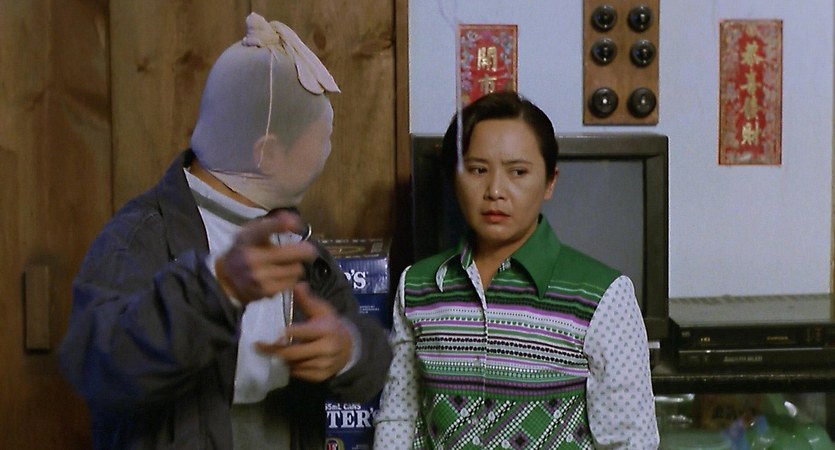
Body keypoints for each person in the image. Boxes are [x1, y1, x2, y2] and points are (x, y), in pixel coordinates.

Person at [58, 12, 391, 450]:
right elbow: (97, 365)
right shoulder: (140, 235)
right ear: (267, 153)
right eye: (322, 139)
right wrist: (217, 288)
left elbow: (373, 354)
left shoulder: (295, 240)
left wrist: (347, 349)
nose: (328, 152)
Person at [373, 91, 659, 449]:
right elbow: (399, 415)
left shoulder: (604, 295)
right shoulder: (417, 286)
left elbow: (630, 440)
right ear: (454, 178)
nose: (495, 190)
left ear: (550, 181)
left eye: (518, 172)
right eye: (477, 170)